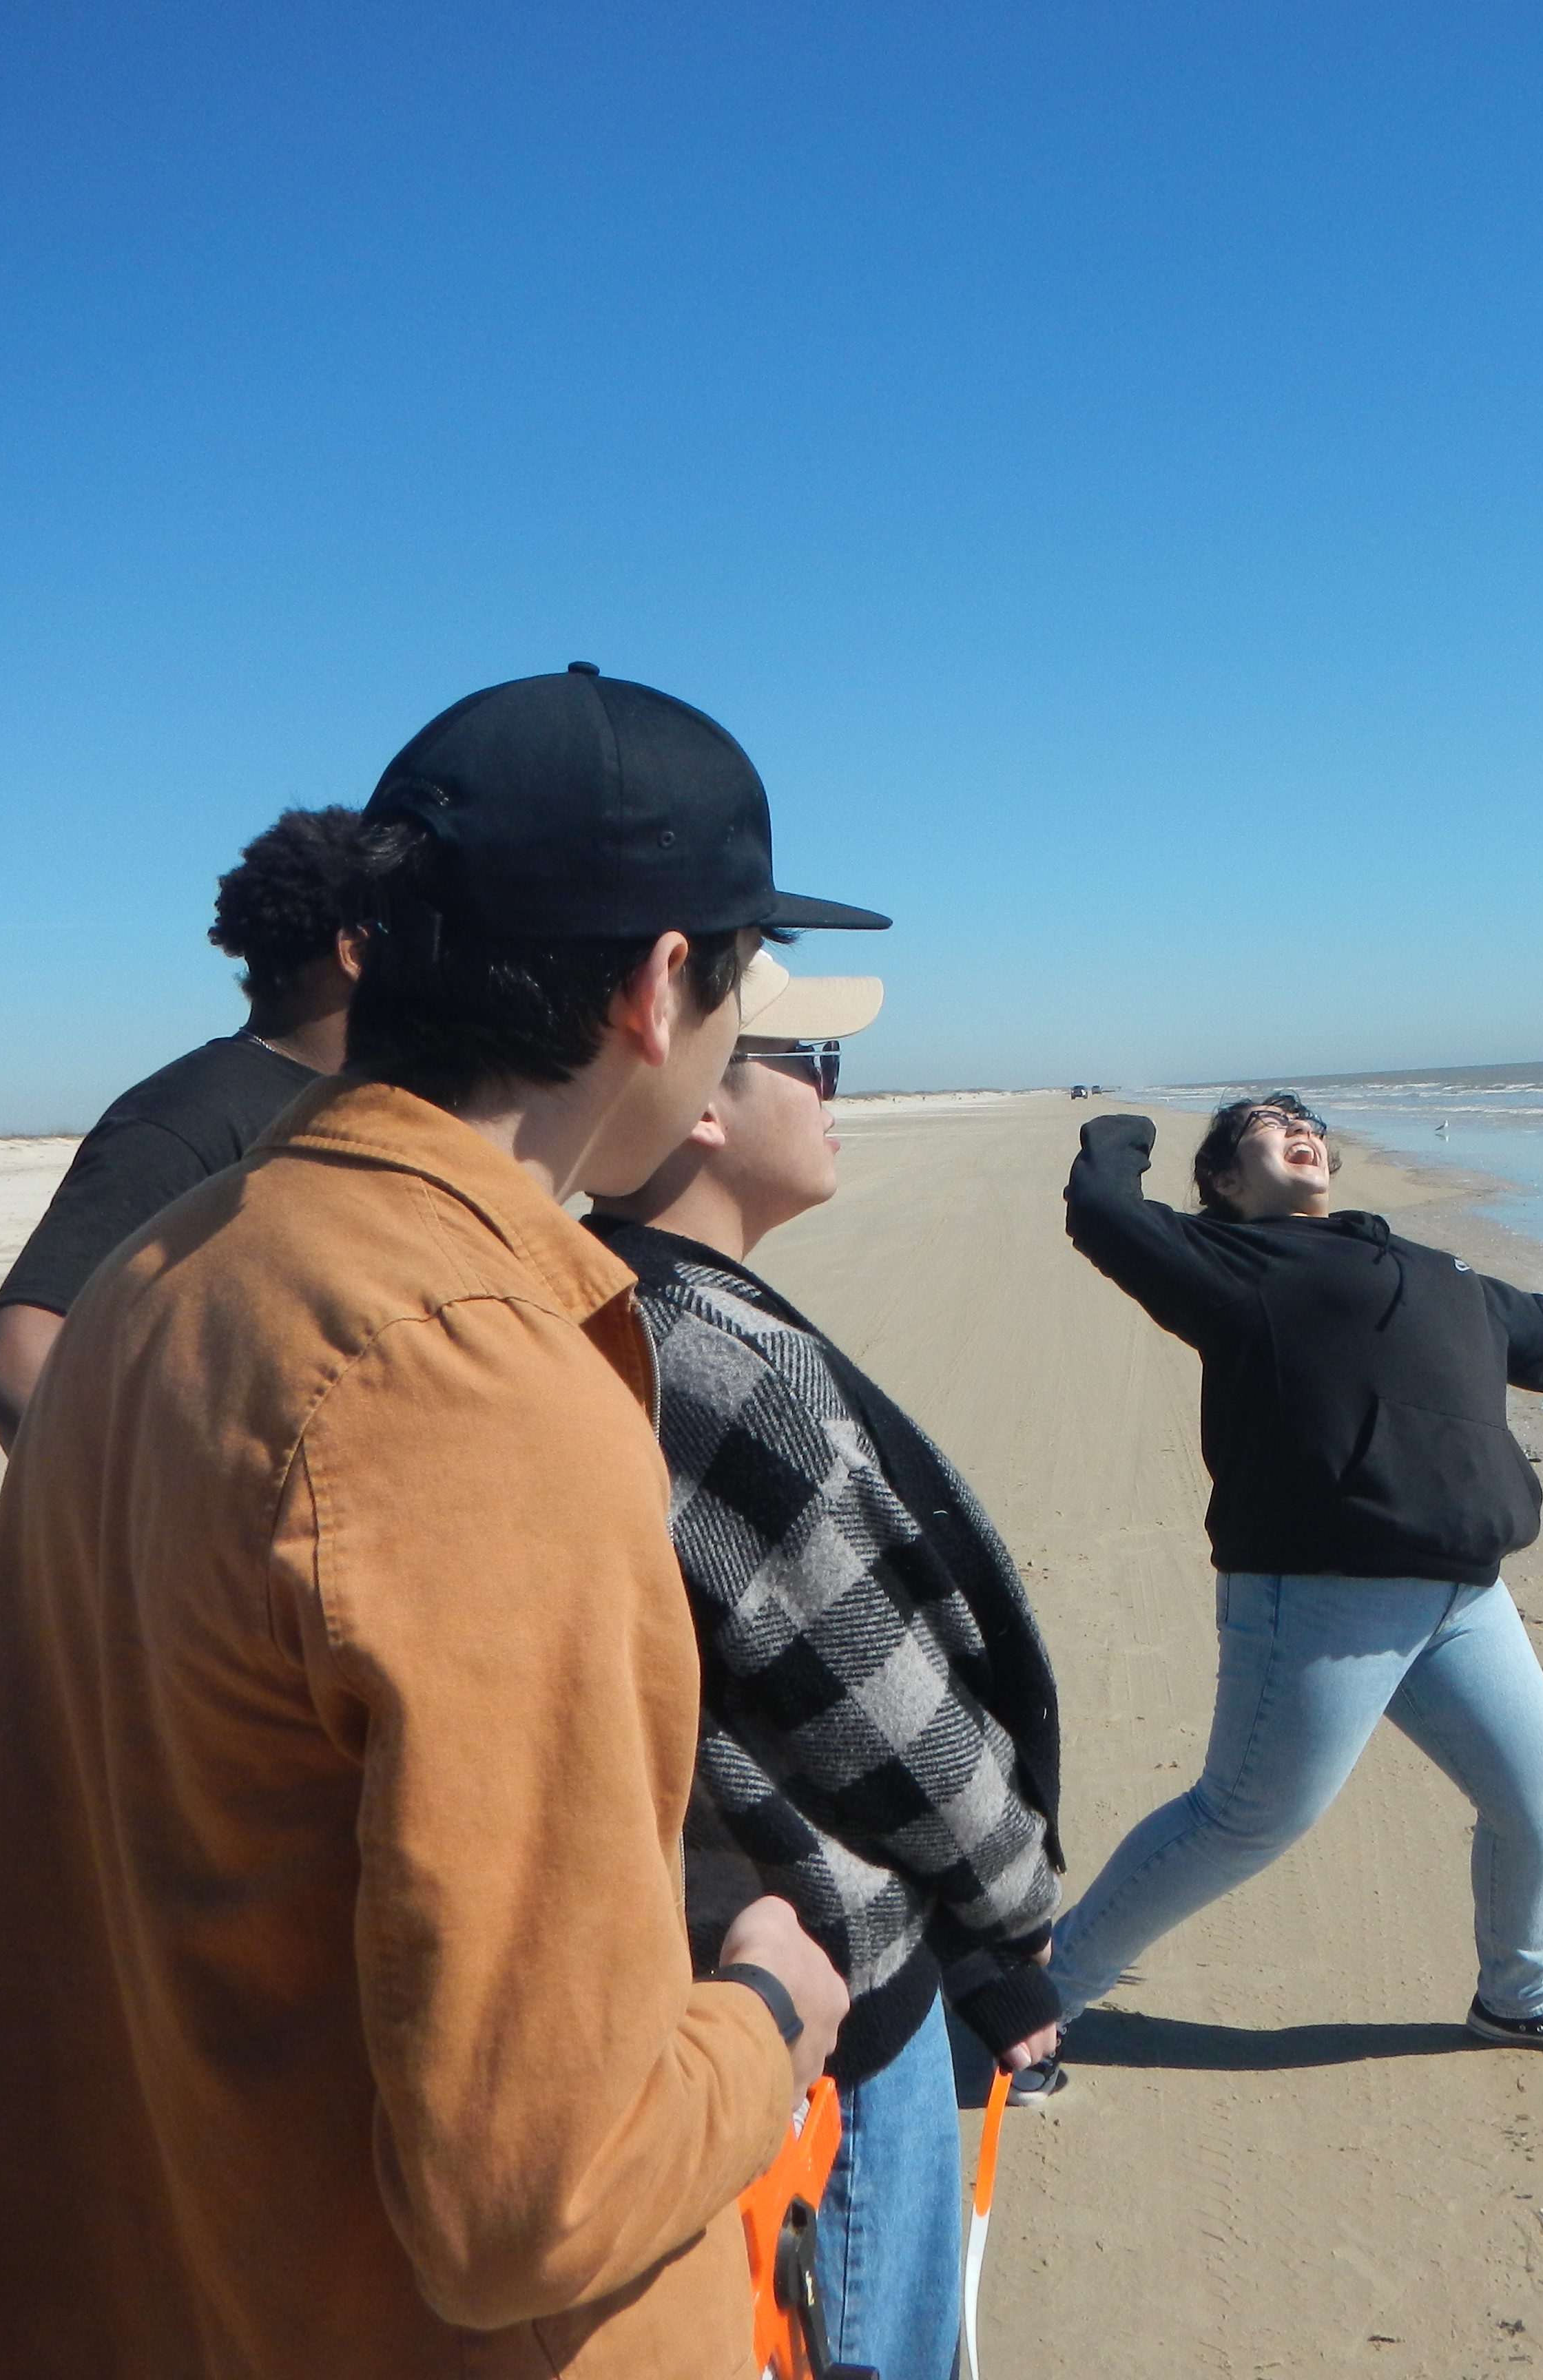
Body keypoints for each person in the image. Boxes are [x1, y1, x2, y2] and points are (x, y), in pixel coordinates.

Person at [0, 666, 889, 2379]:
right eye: (747, 972)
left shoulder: (166, 1277)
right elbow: (531, 2198)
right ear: (658, 983)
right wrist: (771, 2010)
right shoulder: (469, 1374)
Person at [1040, 1093, 1543, 2072]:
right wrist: (1124, 1129)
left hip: (1466, 1596)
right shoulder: (1230, 1264)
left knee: (1534, 1795)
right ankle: (1038, 2000)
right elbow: (1106, 1212)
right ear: (1226, 1182)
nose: (1300, 1128)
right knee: (1248, 1819)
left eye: (1307, 1120)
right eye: (1265, 1123)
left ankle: (1519, 1997)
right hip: (1323, 1591)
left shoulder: (1434, 1268)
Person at [586, 952, 1064, 2380]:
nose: (838, 1097)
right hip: (826, 1975)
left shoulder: (599, 1298)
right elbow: (881, 1709)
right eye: (815, 1064)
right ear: (708, 1103)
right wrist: (1012, 1913)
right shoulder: (715, 1353)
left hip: (712, 1953)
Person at [0, 806, 373, 1448]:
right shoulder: (191, 1116)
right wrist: (163, 1535)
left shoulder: (365, 1107)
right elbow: (17, 1358)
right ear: (356, 951)